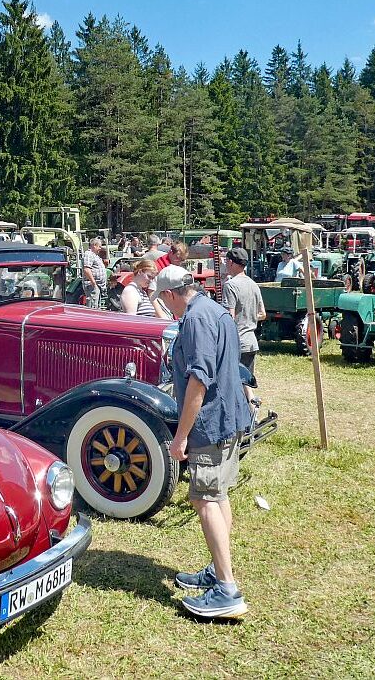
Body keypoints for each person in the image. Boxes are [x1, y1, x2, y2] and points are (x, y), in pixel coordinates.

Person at [154, 264, 253, 619]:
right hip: (231, 417)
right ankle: (217, 569)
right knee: (219, 495)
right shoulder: (213, 308)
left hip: (211, 424)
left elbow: (198, 380)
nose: (166, 308)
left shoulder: (195, 320)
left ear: (169, 294)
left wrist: (180, 436)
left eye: (163, 301)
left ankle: (227, 590)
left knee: (204, 499)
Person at [222, 247, 266, 398]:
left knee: (232, 386)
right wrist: (249, 317)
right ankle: (252, 410)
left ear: (231, 262)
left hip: (237, 343)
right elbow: (262, 314)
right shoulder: (253, 284)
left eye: (226, 261)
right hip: (251, 342)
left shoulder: (230, 285)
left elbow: (229, 317)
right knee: (245, 384)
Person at [82, 236, 107, 308]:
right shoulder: (89, 254)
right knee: (93, 306)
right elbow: (87, 269)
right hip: (92, 285)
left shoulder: (95, 255)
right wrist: (93, 283)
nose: (100, 248)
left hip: (96, 285)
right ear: (94, 245)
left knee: (96, 306)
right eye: (99, 246)